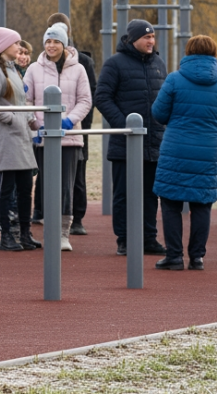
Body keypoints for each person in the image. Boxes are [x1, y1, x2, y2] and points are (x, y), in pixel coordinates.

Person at [151, 35, 217, 271]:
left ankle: (174, 256)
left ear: (188, 52)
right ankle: (197, 258)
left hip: (175, 147)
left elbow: (159, 112)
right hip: (209, 150)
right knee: (202, 203)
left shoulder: (175, 79)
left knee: (170, 202)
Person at [95, 19, 168, 256]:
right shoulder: (114, 64)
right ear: (133, 39)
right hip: (125, 142)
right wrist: (124, 125)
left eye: (153, 37)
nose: (151, 41)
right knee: (123, 194)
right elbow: (102, 97)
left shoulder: (158, 63)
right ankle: (124, 239)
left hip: (153, 142)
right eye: (146, 37)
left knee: (150, 194)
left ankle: (148, 238)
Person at [24, 24, 92, 251]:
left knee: (66, 187)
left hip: (70, 137)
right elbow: (27, 102)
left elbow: (85, 100)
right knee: (47, 184)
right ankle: (49, 229)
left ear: (64, 45)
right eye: (48, 41)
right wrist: (35, 125)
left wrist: (70, 121)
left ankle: (63, 234)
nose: (51, 46)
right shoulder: (34, 68)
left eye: (56, 42)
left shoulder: (78, 69)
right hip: (45, 136)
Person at [0, 27, 41, 252]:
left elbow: (20, 101)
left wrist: (33, 120)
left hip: (21, 136)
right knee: (5, 187)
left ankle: (24, 233)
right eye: (15, 44)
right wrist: (14, 120)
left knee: (26, 187)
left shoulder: (13, 69)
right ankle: (6, 233)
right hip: (6, 136)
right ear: (5, 45)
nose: (19, 47)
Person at [48, 13, 97, 236]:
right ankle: (43, 211)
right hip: (48, 127)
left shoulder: (83, 63)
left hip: (75, 126)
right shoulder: (41, 63)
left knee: (76, 173)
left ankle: (76, 217)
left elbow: (88, 96)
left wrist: (76, 122)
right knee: (47, 172)